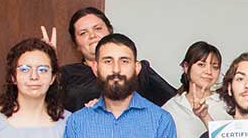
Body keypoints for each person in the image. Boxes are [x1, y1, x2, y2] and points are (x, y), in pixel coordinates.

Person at [47, 7, 176, 112]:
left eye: (98, 28)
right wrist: (46, 60)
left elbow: (175, 103)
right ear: (76, 44)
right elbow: (44, 104)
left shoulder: (136, 70)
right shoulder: (65, 74)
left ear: (110, 31)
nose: (92, 35)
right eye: (83, 33)